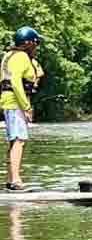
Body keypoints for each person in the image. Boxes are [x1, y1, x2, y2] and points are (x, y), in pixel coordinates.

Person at [1, 27, 44, 191]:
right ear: (28, 43)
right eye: (35, 43)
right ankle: (16, 181)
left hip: (8, 101)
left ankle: (10, 179)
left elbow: (38, 73)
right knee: (19, 140)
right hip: (16, 102)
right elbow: (16, 83)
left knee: (14, 141)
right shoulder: (21, 57)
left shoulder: (9, 55)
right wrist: (26, 107)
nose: (36, 46)